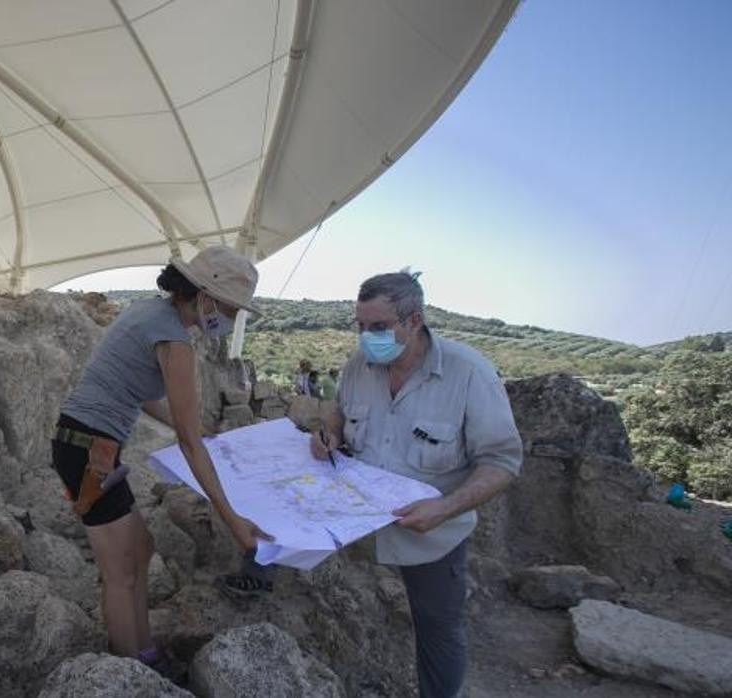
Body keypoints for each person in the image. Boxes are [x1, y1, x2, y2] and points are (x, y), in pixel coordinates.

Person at [53, 246, 274, 668]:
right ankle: (134, 669)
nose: (229, 319)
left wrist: (194, 428)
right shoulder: (175, 340)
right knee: (121, 573)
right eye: (229, 308)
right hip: (89, 451)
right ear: (205, 296)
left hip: (85, 445)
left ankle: (146, 652)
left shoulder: (151, 314)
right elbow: (191, 448)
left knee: (141, 547)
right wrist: (234, 521)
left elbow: (145, 395)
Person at [309, 270, 522, 698]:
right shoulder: (358, 364)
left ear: (414, 320)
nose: (367, 337)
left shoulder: (469, 375)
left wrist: (444, 509)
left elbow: (502, 461)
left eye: (379, 327)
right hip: (355, 521)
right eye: (361, 326)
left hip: (431, 534)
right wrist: (328, 432)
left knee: (438, 628)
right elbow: (338, 408)